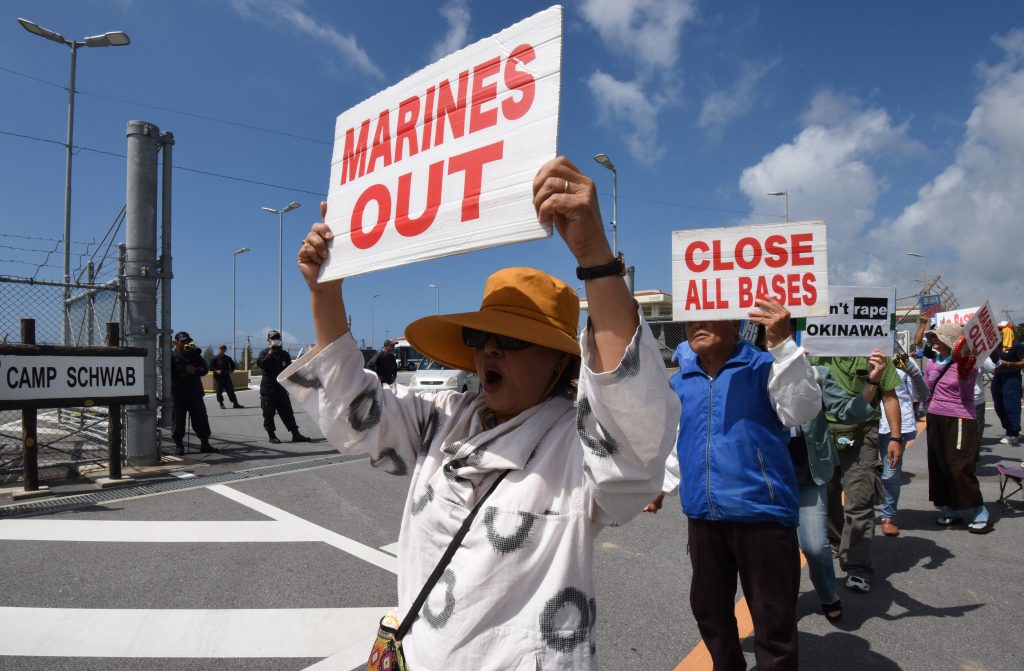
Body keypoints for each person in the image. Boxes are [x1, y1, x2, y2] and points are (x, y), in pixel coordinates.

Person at [283, 156, 680, 668]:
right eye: (479, 337)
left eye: (512, 340)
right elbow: (351, 413)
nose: (489, 350)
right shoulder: (442, 417)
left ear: (561, 361)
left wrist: (595, 257)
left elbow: (638, 430)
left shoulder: (579, 448)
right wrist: (325, 291)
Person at [648, 301, 821, 670]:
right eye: (690, 317)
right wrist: (662, 485)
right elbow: (680, 438)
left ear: (735, 319)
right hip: (704, 515)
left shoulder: (765, 367)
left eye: (707, 314)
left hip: (764, 514)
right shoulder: (681, 380)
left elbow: (802, 410)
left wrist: (784, 347)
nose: (696, 324)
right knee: (709, 610)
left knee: (773, 620)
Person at [813, 352, 902, 594]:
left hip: (864, 434)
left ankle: (857, 566)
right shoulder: (815, 348)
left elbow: (890, 395)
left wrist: (895, 437)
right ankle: (835, 540)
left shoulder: (876, 353)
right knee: (828, 493)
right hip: (823, 433)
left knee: (860, 500)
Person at [923, 322, 991, 532]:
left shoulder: (968, 363)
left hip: (960, 418)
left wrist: (964, 368)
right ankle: (951, 508)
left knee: (960, 465)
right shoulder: (933, 362)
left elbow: (966, 391)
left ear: (948, 342)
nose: (933, 341)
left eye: (936, 337)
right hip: (935, 416)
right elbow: (926, 388)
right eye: (932, 337)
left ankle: (979, 510)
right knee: (940, 464)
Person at [877, 349, 927, 537]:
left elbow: (922, 394)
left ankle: (887, 516)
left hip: (896, 426)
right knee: (857, 473)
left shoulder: (902, 361)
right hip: (864, 422)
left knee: (890, 474)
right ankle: (856, 516)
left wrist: (911, 370)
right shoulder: (857, 357)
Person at [256, 330, 311, 444]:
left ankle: (296, 434)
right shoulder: (263, 353)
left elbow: (290, 371)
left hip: (281, 389)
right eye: (273, 338)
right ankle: (272, 435)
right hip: (268, 390)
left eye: (277, 338)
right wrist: (270, 352)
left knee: (288, 412)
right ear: (268, 340)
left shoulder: (284, 354)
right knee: (268, 414)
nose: (275, 339)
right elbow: (263, 365)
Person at [170, 331, 216, 454]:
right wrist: (182, 372)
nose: (186, 343)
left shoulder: (194, 354)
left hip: (194, 393)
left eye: (188, 341)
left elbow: (205, 369)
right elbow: (166, 373)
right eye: (183, 341)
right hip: (178, 394)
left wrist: (195, 370)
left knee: (201, 419)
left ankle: (205, 444)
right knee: (178, 421)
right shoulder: (172, 356)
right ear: (176, 343)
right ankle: (179, 446)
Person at [991, 320, 1023, 446]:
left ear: (1008, 331)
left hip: (1012, 379)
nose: (998, 332)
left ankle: (1013, 432)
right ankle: (1009, 429)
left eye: (1001, 330)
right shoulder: (996, 345)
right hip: (998, 378)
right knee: (998, 406)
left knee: (1011, 406)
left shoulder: (1017, 345)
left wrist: (1010, 364)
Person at [211, 344, 244, 409]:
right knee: (219, 392)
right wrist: (216, 371)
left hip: (226, 377)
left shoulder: (228, 358)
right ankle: (221, 404)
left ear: (225, 349)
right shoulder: (215, 358)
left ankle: (235, 403)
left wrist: (231, 371)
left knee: (230, 391)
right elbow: (211, 367)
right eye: (221, 348)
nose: (222, 349)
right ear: (219, 349)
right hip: (218, 378)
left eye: (224, 348)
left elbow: (233, 366)